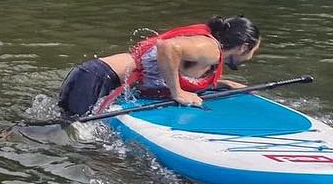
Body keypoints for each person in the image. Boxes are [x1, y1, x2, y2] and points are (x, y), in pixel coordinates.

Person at [56, 17, 261, 118]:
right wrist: (177, 92)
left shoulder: (208, 53)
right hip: (95, 80)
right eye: (253, 51)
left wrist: (221, 83)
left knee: (74, 138)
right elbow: (168, 47)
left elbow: (179, 69)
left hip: (95, 80)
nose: (250, 57)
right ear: (243, 47)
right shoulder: (211, 49)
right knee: (76, 142)